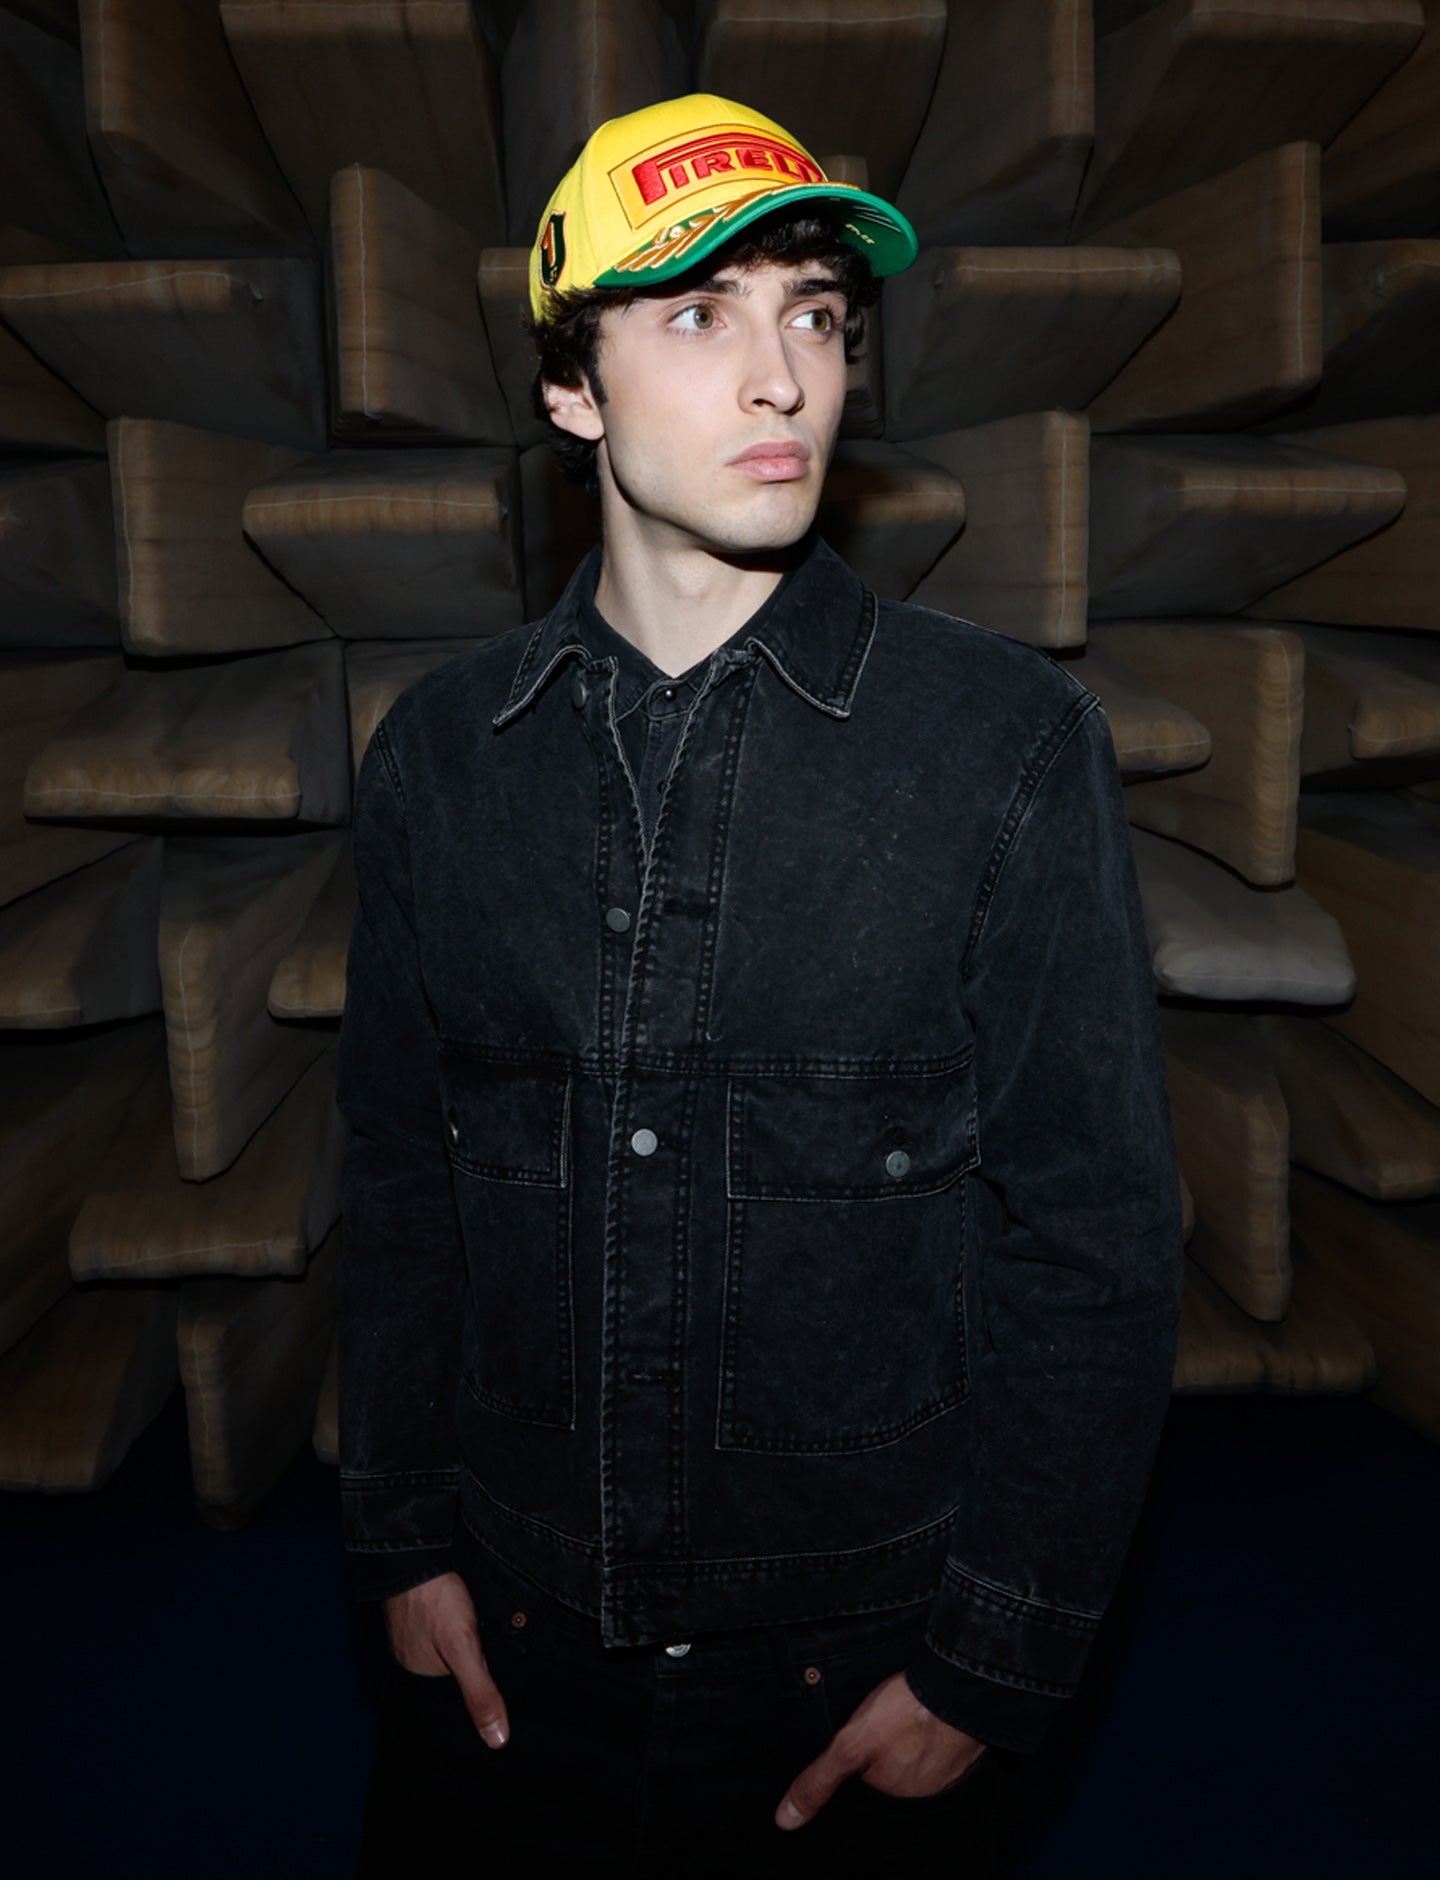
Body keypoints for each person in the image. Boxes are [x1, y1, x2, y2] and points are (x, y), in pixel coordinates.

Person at [336, 93, 1184, 1878]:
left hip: (844, 1672)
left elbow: (1095, 1241)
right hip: (504, 1661)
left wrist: (988, 1663)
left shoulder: (1011, 751)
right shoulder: (437, 763)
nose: (783, 376)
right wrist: (404, 1542)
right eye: (700, 315)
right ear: (574, 388)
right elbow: (401, 1181)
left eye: (812, 313)